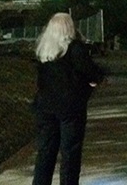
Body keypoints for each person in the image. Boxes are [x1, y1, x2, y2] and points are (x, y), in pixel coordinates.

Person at [32, 13, 104, 185]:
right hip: (70, 107)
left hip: (45, 106)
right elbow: (89, 70)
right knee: (70, 151)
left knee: (46, 151)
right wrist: (97, 80)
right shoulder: (74, 48)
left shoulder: (44, 50)